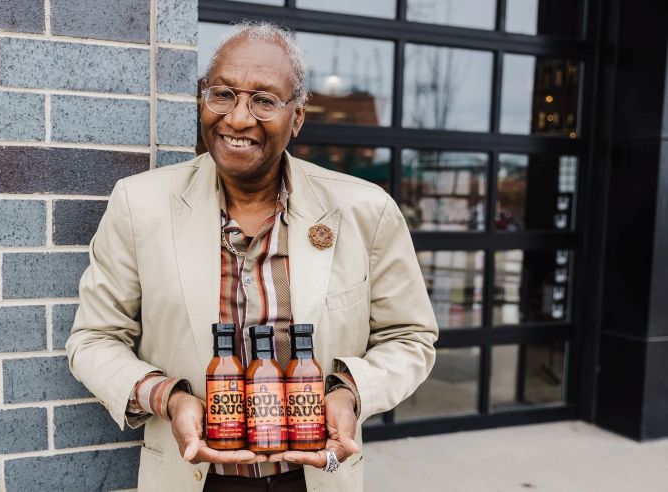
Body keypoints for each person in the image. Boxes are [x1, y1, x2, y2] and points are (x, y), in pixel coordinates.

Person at [66, 21, 438, 492]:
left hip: (315, 477)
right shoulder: (140, 205)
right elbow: (94, 340)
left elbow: (410, 336)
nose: (238, 119)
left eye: (263, 101)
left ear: (297, 117)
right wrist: (169, 398)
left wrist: (350, 392)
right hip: (192, 477)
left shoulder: (366, 212)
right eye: (222, 94)